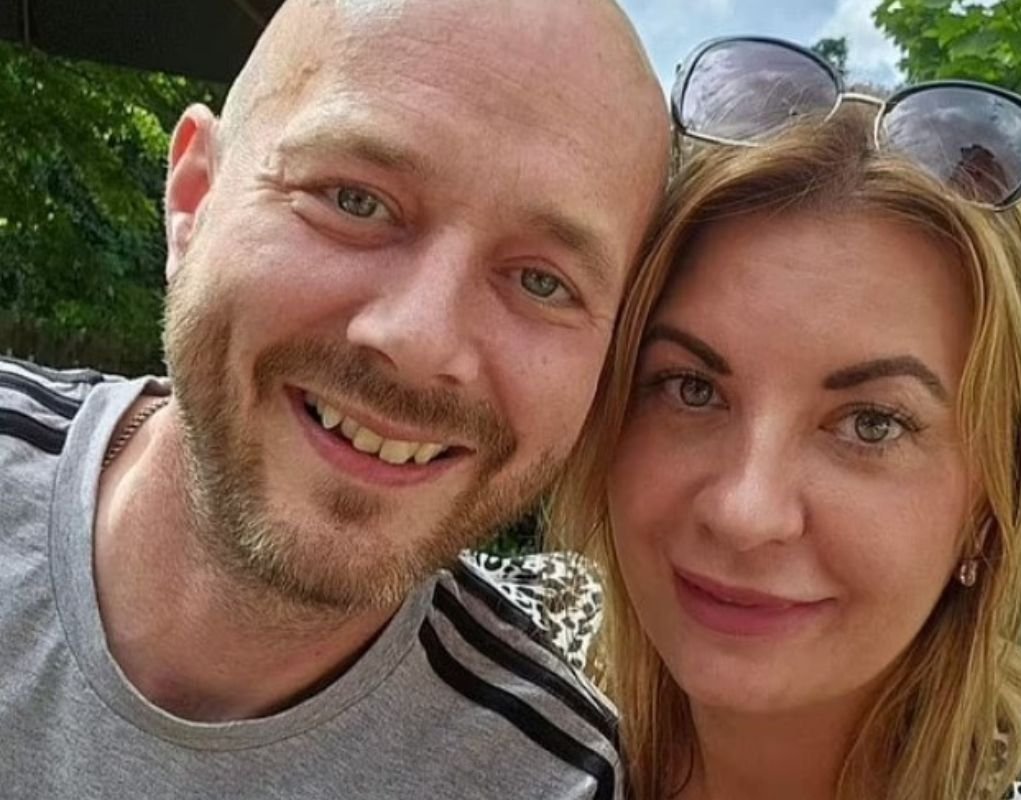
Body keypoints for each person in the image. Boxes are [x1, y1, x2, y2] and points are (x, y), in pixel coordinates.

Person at [0, 1, 669, 797]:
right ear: (194, 198)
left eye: (541, 281)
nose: (421, 340)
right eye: (355, 200)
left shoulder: (549, 779)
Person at [551, 36, 1021, 800]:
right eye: (692, 389)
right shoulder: (512, 655)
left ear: (989, 504)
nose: (745, 512)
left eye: (872, 424)